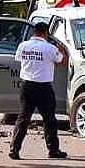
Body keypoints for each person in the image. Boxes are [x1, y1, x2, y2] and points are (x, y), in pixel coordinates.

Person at [9, 21, 69, 160]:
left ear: (34, 32)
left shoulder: (23, 46)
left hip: (26, 86)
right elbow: (63, 61)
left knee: (23, 118)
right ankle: (53, 150)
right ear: (46, 33)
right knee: (49, 120)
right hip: (43, 87)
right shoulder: (49, 48)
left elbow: (18, 59)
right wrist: (62, 51)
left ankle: (14, 149)